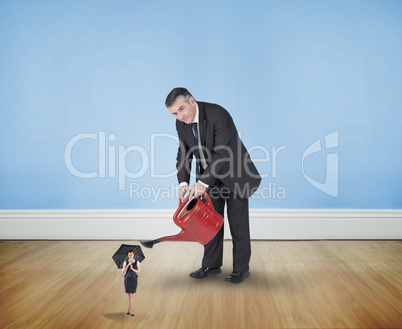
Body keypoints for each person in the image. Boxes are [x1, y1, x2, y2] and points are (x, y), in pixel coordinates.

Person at [165, 87, 261, 284]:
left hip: (235, 175)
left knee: (238, 224)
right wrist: (183, 182)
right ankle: (211, 264)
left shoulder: (219, 114)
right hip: (210, 179)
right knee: (208, 223)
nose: (180, 116)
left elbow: (224, 154)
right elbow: (184, 152)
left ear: (192, 100)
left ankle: (241, 269)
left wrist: (201, 182)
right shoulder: (181, 124)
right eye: (175, 113)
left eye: (182, 109)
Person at [122, 250, 140, 316]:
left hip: (134, 279)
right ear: (128, 255)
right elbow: (123, 272)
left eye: (131, 255)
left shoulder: (137, 262)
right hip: (127, 279)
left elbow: (139, 272)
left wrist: (132, 269)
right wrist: (128, 265)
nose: (130, 256)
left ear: (133, 255)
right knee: (129, 295)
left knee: (132, 295)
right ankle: (131, 309)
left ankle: (129, 309)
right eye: (129, 255)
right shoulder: (125, 262)